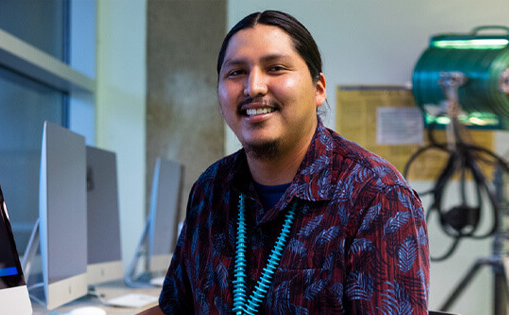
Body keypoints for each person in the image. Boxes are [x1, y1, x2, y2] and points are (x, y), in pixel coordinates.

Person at [144, 10, 429, 314]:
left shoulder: (377, 196)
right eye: (236, 72)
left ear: (318, 88)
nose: (253, 87)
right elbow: (175, 308)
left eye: (276, 68)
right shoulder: (211, 189)